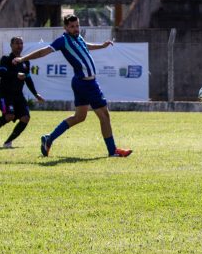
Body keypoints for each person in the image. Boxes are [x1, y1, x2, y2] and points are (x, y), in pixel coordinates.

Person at [13, 14, 132, 158]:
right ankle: (112, 151)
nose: (76, 29)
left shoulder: (78, 38)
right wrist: (23, 58)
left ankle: (49, 138)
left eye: (77, 26)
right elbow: (43, 51)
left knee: (79, 117)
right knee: (104, 116)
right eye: (72, 27)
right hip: (86, 83)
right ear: (65, 28)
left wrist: (102, 45)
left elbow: (86, 46)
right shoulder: (63, 40)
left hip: (82, 82)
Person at [0, 36, 44, 149]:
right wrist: (15, 74)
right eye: (16, 43)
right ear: (11, 45)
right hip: (5, 94)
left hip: (18, 95)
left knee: (26, 118)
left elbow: (28, 78)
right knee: (9, 116)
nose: (19, 45)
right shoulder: (5, 59)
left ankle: (8, 142)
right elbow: (1, 73)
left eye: (21, 43)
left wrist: (35, 93)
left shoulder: (25, 62)